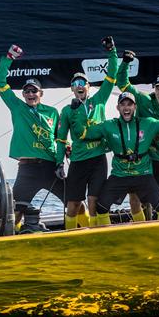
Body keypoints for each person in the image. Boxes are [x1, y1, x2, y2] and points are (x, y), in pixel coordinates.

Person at [82, 51, 159, 225]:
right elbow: (85, 133)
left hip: (155, 162)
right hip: (125, 170)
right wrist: (125, 63)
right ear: (118, 107)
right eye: (158, 88)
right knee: (112, 205)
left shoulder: (150, 121)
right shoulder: (140, 103)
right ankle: (119, 234)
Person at [0, 44, 63, 226]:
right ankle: (9, 241)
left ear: (41, 93)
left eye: (34, 91)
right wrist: (8, 58)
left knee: (75, 202)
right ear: (23, 94)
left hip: (51, 167)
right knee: (14, 211)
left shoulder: (53, 112)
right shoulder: (17, 107)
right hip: (27, 169)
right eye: (27, 91)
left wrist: (63, 157)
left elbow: (60, 139)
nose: (30, 94)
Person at [55, 37, 119, 229]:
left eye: (83, 82)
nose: (80, 85)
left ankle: (96, 234)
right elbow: (60, 138)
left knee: (94, 201)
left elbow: (112, 76)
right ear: (72, 89)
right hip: (78, 160)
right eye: (76, 83)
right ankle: (70, 235)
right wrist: (59, 161)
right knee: (73, 204)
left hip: (98, 158)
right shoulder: (67, 110)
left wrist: (112, 52)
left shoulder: (99, 99)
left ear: (89, 87)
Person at [116, 67, 159, 219]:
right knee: (135, 198)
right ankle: (140, 227)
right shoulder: (144, 100)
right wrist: (125, 63)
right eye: (158, 89)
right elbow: (122, 83)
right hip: (140, 158)